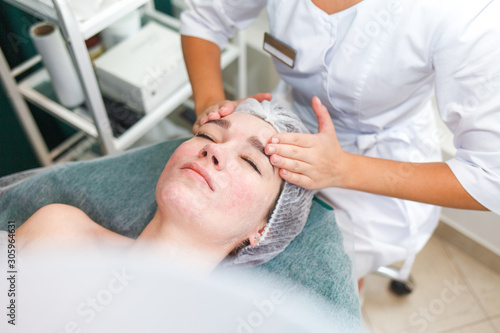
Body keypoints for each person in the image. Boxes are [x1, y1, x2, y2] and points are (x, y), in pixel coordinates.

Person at [179, 0, 500, 280]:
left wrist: (342, 169)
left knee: (325, 271)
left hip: (376, 164)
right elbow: (206, 20)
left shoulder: (464, 12)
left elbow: (490, 178)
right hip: (290, 122)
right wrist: (209, 103)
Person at [15, 99, 314, 272]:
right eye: (208, 136)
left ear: (264, 230)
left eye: (250, 161)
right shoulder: (59, 230)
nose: (214, 150)